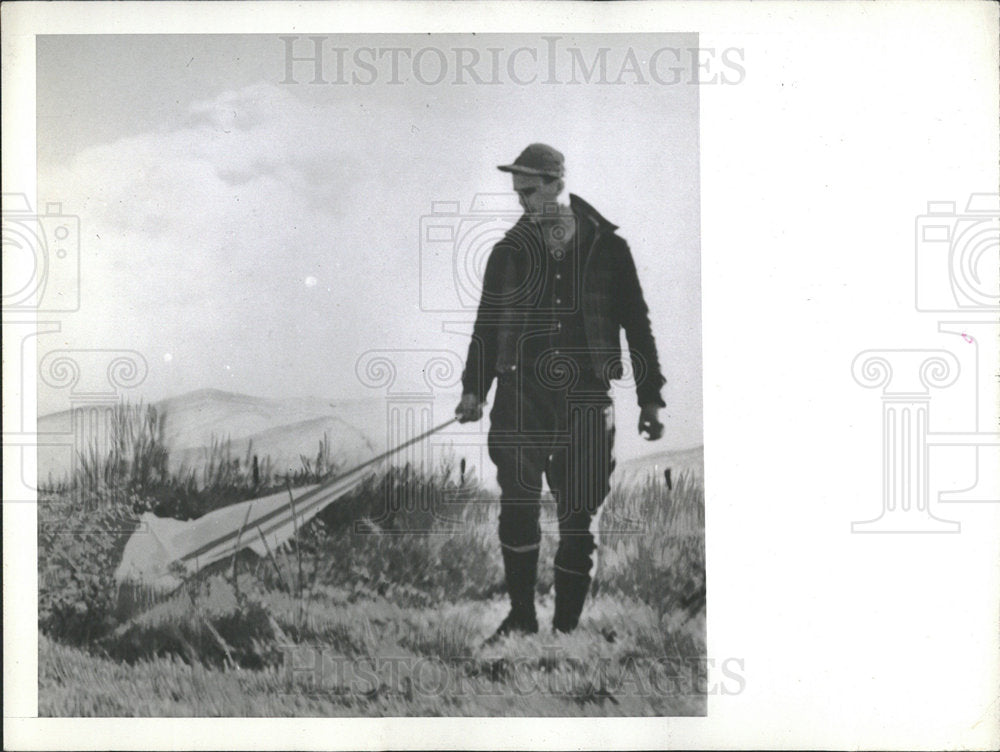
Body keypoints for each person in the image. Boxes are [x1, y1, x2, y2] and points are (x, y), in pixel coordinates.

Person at [456, 143, 666, 640]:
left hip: (588, 399)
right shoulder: (507, 252)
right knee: (519, 506)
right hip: (520, 396)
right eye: (518, 194)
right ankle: (522, 619)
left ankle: (566, 630)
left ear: (556, 183)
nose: (523, 202)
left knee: (579, 516)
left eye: (529, 191)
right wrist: (473, 390)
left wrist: (650, 397)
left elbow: (638, 326)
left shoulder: (608, 247)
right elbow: (485, 327)